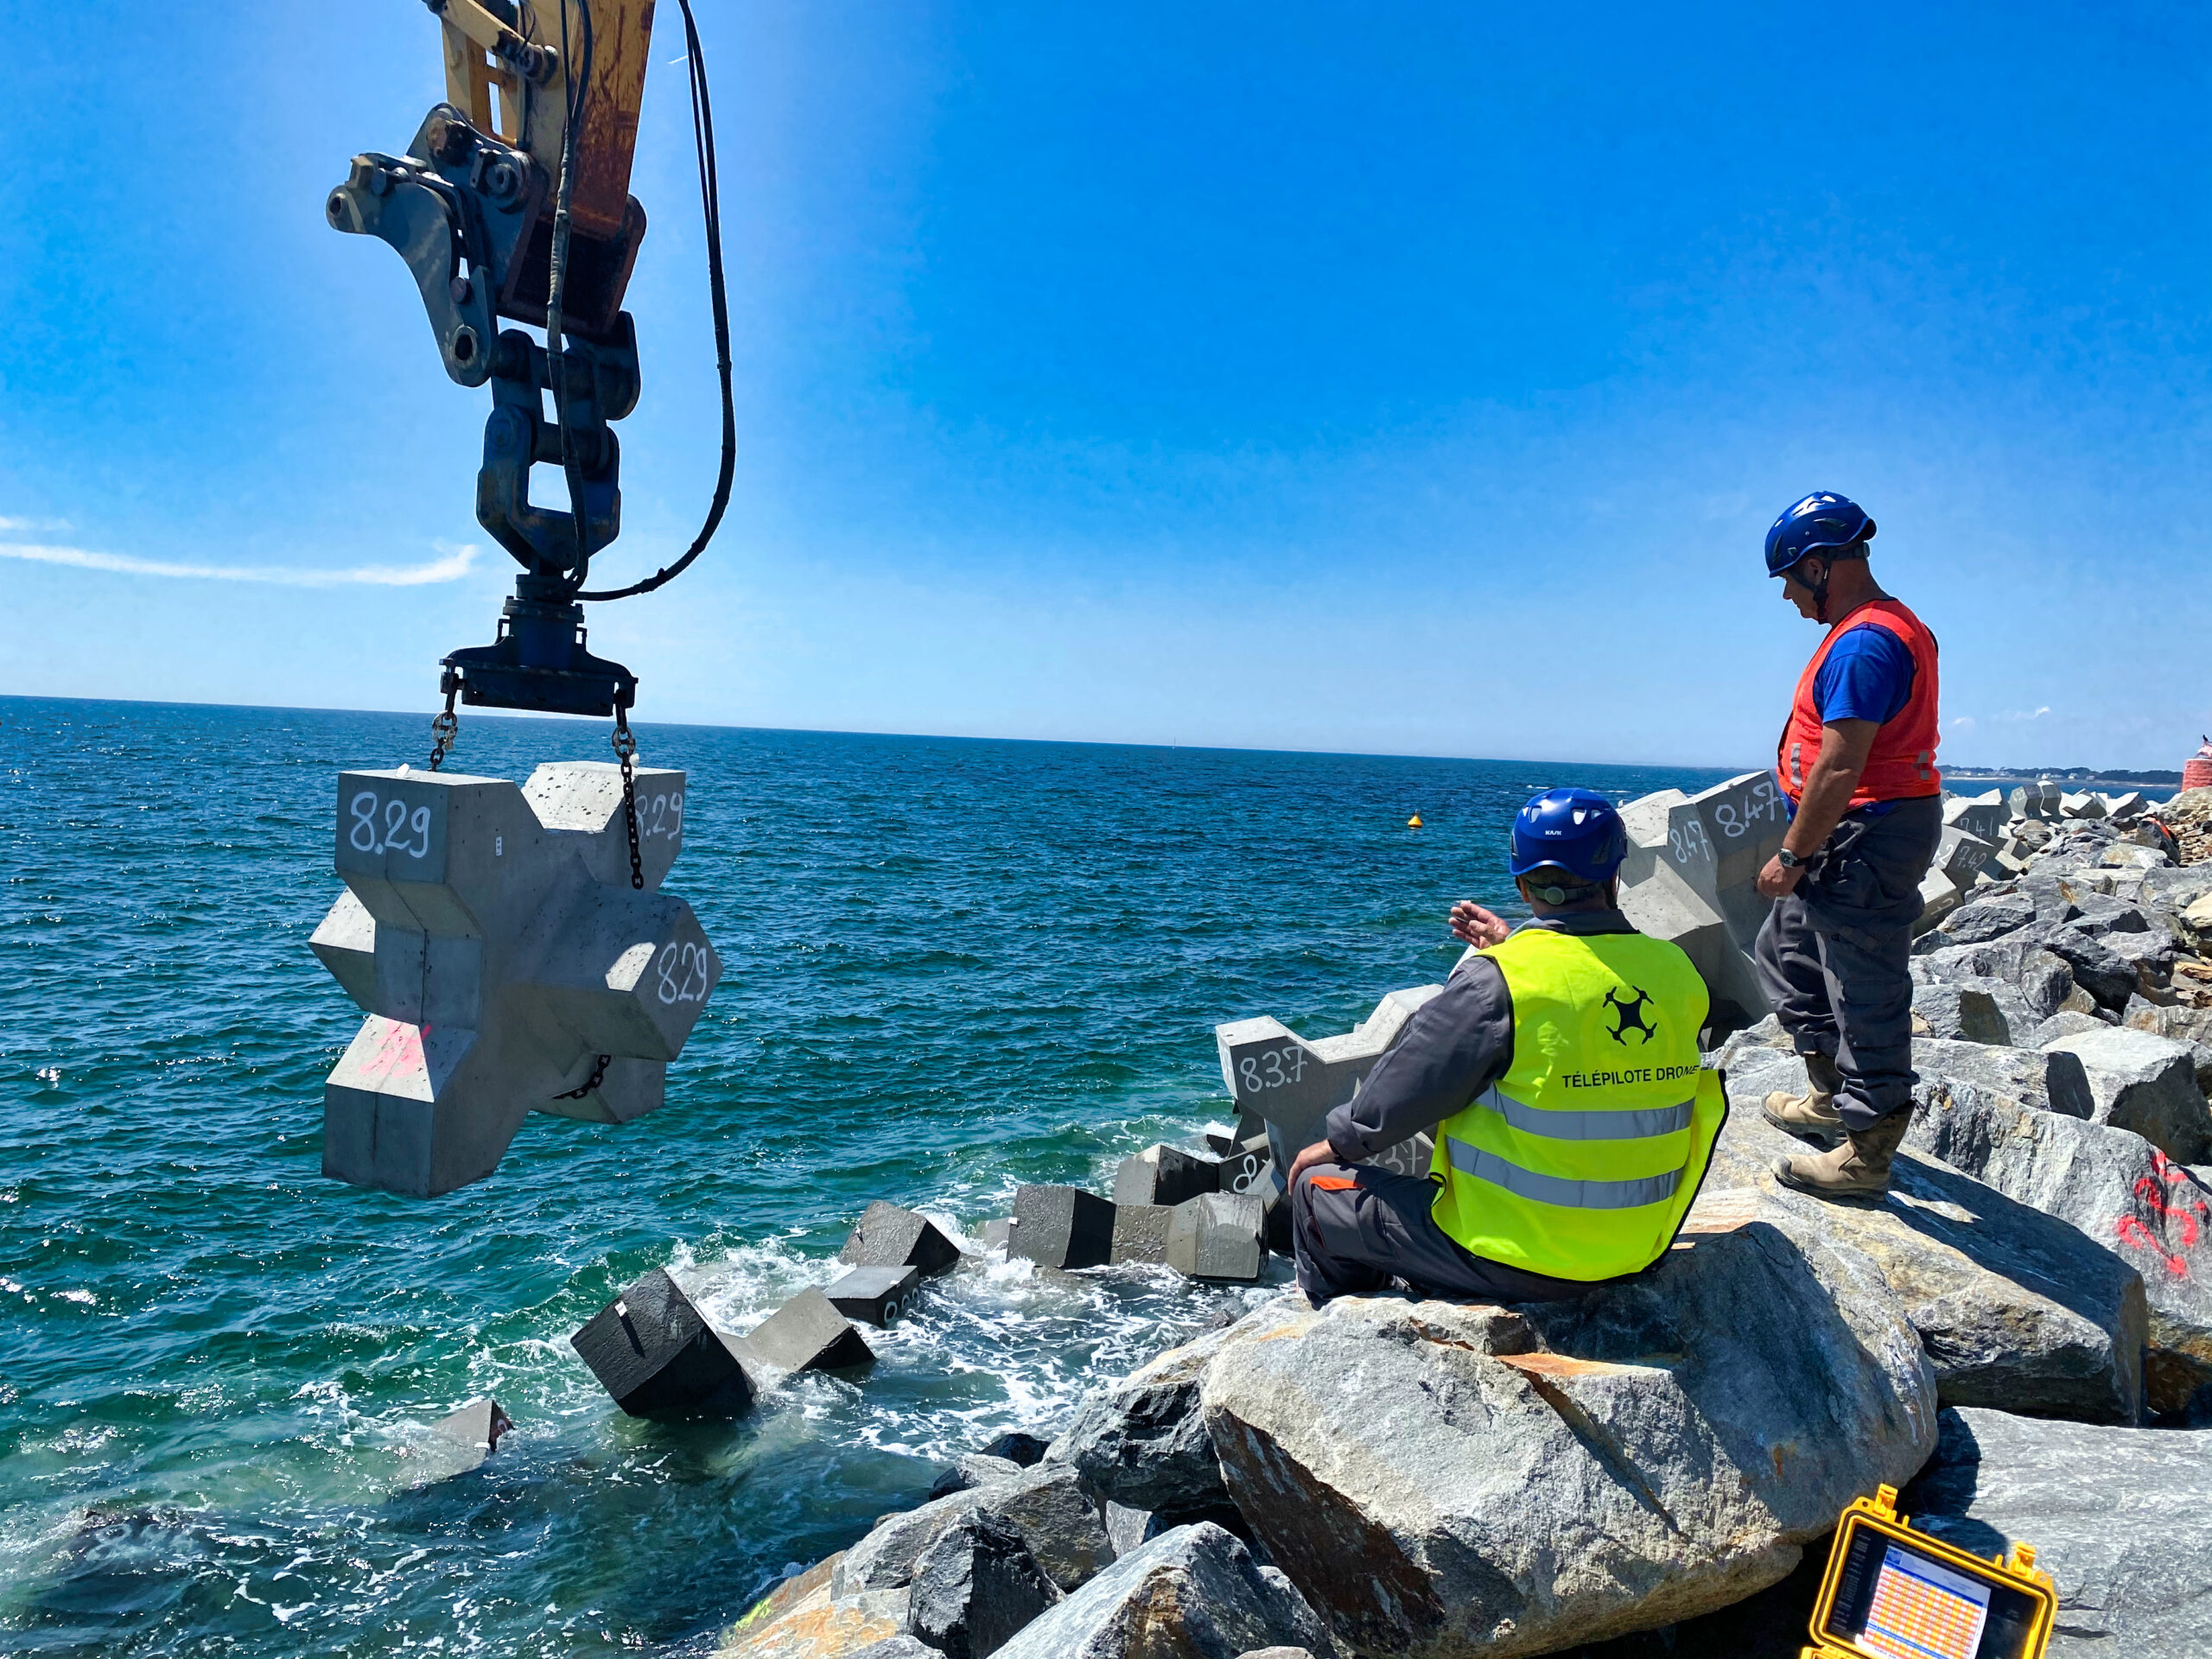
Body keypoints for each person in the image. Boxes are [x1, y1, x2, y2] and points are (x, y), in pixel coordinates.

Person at [1284, 789, 1728, 1306]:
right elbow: (1583, 1029)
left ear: (1521, 885)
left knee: (1316, 1191)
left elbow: (1402, 1089)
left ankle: (1346, 1323)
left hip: (1518, 1259)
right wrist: (1511, 948)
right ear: (1614, 876)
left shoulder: (1496, 984)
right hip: (1640, 1246)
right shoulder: (1676, 971)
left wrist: (1335, 1144)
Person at [1753, 492, 1942, 1200]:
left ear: (1821, 565)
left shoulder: (1866, 642)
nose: (1789, 599)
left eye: (1790, 582)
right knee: (1790, 954)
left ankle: (1867, 1152)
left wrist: (1793, 855)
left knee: (1864, 987)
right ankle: (1831, 1096)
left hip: (1863, 835)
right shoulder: (1879, 628)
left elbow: (1840, 764)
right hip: (1857, 830)